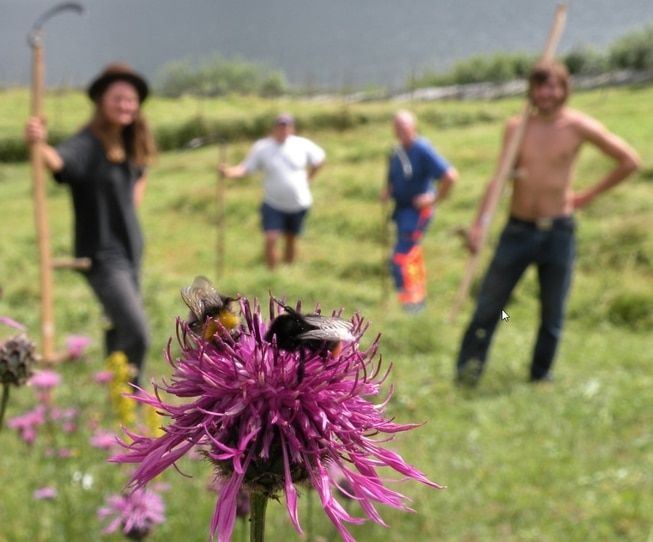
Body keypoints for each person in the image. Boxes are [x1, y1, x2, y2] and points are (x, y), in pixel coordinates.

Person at [455, 59, 640, 386]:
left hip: (558, 232)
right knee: (490, 306)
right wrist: (480, 225)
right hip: (517, 230)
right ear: (532, 90)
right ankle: (467, 373)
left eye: (553, 86)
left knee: (552, 313)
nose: (546, 93)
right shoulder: (517, 127)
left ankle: (540, 377)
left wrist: (586, 196)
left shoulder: (578, 126)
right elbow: (498, 179)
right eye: (540, 86)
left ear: (564, 89)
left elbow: (629, 161)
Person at [25, 62, 156, 385]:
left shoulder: (128, 141)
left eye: (131, 100)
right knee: (138, 332)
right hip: (101, 256)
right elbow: (59, 162)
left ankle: (117, 398)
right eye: (118, 98)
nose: (126, 105)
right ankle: (133, 403)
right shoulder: (88, 143)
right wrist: (38, 143)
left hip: (130, 249)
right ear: (101, 101)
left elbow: (139, 176)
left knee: (116, 325)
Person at [219, 113, 325, 270]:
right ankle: (271, 275)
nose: (284, 129)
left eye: (287, 125)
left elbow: (319, 159)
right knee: (271, 238)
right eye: (280, 125)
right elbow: (246, 168)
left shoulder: (302, 145)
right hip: (273, 203)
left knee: (291, 239)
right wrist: (229, 172)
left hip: (298, 203)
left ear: (292, 128)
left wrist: (310, 177)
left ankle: (288, 271)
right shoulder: (263, 147)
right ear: (275, 128)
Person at [381, 110, 458, 313]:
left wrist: (433, 198)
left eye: (405, 127)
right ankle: (415, 298)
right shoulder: (397, 152)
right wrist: (388, 192)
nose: (401, 131)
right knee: (412, 254)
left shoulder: (422, 149)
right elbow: (393, 178)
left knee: (401, 256)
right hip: (401, 212)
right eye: (397, 128)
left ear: (413, 127)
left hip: (417, 213)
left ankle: (412, 304)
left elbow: (450, 176)